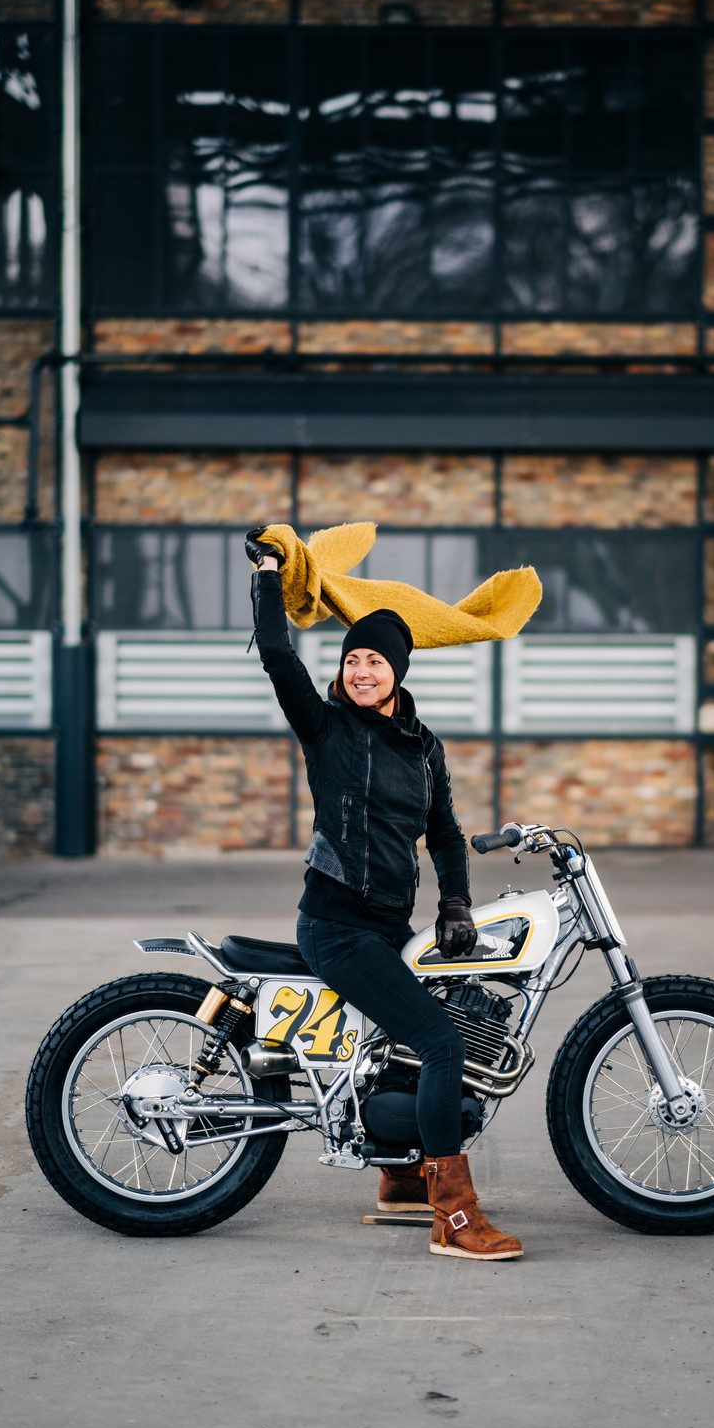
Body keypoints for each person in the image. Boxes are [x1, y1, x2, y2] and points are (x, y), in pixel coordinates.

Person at [245, 526, 524, 1262]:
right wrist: (271, 574)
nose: (361, 671)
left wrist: (455, 905)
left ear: (397, 673)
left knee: (403, 1047)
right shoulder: (327, 727)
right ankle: (454, 1217)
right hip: (337, 926)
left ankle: (399, 1181)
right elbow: (277, 655)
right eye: (352, 659)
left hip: (389, 925)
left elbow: (444, 832)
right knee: (438, 1042)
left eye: (375, 661)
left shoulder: (423, 746)